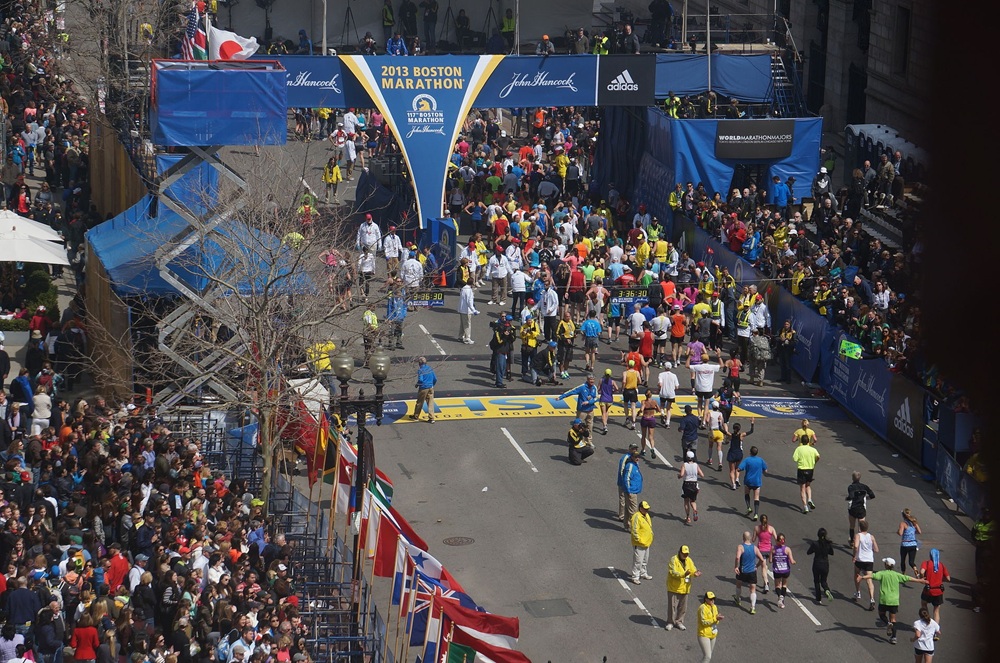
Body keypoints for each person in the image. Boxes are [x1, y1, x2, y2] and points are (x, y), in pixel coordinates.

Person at [862, 557, 927, 644]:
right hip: (894, 601)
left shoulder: (882, 573)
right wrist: (919, 580)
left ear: (886, 565)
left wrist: (862, 577)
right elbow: (907, 578)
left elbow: (872, 575)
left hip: (884, 600)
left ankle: (887, 623)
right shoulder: (897, 575)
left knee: (881, 614)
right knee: (893, 619)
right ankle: (894, 637)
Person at [666, 544, 701, 630]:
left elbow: (693, 570)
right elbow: (673, 572)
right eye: (683, 553)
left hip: (685, 587)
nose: (685, 555)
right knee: (672, 607)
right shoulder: (674, 560)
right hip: (674, 587)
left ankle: (679, 621)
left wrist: (695, 574)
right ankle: (670, 622)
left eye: (687, 554)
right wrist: (683, 574)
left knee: (683, 607)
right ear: (680, 552)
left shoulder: (689, 560)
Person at [557, 374, 598, 446]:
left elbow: (596, 398)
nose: (592, 381)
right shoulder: (582, 387)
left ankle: (589, 440)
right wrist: (561, 397)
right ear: (587, 380)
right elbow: (571, 392)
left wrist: (589, 402)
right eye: (590, 380)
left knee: (590, 426)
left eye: (593, 380)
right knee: (578, 426)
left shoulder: (594, 387)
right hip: (582, 411)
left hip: (590, 410)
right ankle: (575, 439)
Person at [733, 531, 765, 614]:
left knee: (738, 584)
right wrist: (756, 566)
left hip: (743, 570)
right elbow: (762, 559)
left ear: (743, 538)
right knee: (753, 589)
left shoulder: (741, 547)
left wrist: (736, 566)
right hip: (752, 572)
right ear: (750, 538)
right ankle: (753, 607)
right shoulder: (754, 548)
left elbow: (737, 557)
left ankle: (737, 598)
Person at [918, 548, 949, 633]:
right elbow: (948, 578)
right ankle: (935, 630)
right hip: (939, 590)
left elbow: (921, 571)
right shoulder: (941, 565)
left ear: (930, 555)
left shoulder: (926, 563)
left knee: (924, 604)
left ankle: (927, 622)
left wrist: (922, 578)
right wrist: (940, 580)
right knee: (936, 610)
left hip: (928, 590)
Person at [853, 519, 880, 610]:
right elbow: (876, 549)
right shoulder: (871, 537)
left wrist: (854, 555)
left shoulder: (858, 535)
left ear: (860, 528)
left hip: (860, 559)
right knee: (869, 580)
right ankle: (872, 599)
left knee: (857, 574)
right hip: (869, 560)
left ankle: (858, 592)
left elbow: (856, 546)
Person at [737, 445, 767, 521]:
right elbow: (765, 470)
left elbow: (739, 468)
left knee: (747, 494)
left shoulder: (747, 460)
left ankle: (748, 507)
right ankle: (756, 514)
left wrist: (738, 470)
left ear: (750, 452)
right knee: (756, 497)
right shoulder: (761, 460)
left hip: (748, 481)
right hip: (757, 482)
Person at [792, 434, 820, 513]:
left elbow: (795, 459)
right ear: (808, 441)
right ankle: (810, 499)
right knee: (808, 485)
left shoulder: (799, 449)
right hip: (810, 469)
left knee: (802, 488)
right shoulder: (813, 449)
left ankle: (805, 506)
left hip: (801, 469)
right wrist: (814, 462)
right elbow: (818, 456)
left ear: (801, 441)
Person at [846, 470, 876, 543]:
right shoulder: (864, 487)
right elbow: (872, 495)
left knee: (852, 526)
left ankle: (852, 541)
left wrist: (847, 498)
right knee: (861, 528)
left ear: (852, 478)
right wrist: (866, 498)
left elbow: (851, 496)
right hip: (861, 508)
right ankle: (860, 541)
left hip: (853, 508)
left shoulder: (851, 487)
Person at [807, 527, 835, 603]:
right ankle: (827, 590)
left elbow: (808, 552)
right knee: (823, 581)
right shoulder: (828, 544)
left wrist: (814, 549)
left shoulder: (815, 544)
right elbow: (832, 553)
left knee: (816, 581)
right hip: (825, 564)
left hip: (817, 564)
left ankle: (818, 598)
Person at [617, 444, 642, 528]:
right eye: (633, 449)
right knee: (632, 509)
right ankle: (633, 527)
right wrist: (626, 488)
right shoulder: (628, 462)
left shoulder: (634, 462)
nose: (637, 458)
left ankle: (626, 523)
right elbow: (624, 474)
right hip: (629, 488)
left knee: (628, 506)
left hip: (631, 488)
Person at [630, 500, 654, 584]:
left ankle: (643, 573)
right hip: (640, 544)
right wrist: (639, 540)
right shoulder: (637, 516)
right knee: (638, 561)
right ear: (640, 508)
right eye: (645, 509)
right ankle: (635, 576)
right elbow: (634, 530)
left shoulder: (646, 515)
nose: (647, 510)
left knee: (645, 560)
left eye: (647, 509)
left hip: (646, 543)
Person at [752, 514, 777, 594]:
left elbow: (753, 539)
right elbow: (776, 539)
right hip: (769, 550)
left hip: (761, 550)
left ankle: (766, 583)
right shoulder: (771, 528)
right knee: (764, 564)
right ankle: (756, 567)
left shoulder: (757, 528)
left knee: (763, 567)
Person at [727, 419, 754, 490]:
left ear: (733, 429)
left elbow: (721, 429)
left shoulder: (730, 435)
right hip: (739, 453)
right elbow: (751, 431)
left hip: (732, 453)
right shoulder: (741, 435)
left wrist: (719, 422)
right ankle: (737, 479)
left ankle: (733, 484)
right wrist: (752, 423)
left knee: (731, 470)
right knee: (737, 468)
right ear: (739, 429)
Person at [771, 533, 796, 609]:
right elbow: (792, 561)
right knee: (784, 584)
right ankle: (782, 598)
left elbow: (770, 560)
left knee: (777, 585)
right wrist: (794, 562)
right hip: (785, 570)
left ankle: (779, 597)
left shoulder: (773, 548)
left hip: (777, 570)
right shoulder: (787, 549)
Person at [678, 451, 704, 524]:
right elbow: (702, 475)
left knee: (686, 501)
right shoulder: (696, 465)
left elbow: (682, 474)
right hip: (694, 484)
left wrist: (678, 476)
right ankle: (695, 510)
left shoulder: (684, 465)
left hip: (686, 484)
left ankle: (688, 517)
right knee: (693, 501)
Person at [697, 591, 723, 662]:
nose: (712, 600)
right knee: (707, 656)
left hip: (713, 634)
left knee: (709, 656)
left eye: (713, 599)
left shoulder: (714, 607)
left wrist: (718, 619)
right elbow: (703, 622)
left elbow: (715, 621)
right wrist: (715, 619)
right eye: (710, 599)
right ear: (706, 599)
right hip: (704, 635)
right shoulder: (702, 608)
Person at [409, 357, 437, 423]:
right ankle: (431, 418)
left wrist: (417, 384)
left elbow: (420, 380)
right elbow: (435, 379)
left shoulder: (421, 370)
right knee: (430, 403)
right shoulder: (430, 369)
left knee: (420, 403)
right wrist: (432, 384)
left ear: (419, 363)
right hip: (430, 387)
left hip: (423, 388)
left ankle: (416, 416)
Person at [705, 399, 728, 471]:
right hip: (720, 432)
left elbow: (707, 420)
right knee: (719, 448)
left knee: (710, 446)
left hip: (712, 431)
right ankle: (720, 463)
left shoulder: (710, 413)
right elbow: (723, 422)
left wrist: (707, 423)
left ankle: (710, 459)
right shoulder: (720, 414)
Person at [898, 508, 923, 574]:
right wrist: (913, 532)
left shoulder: (903, 523)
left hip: (905, 545)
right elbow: (919, 532)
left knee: (903, 560)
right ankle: (916, 571)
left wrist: (898, 531)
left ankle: (903, 574)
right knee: (911, 562)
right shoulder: (914, 522)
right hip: (913, 544)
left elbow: (900, 533)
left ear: (903, 515)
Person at [638, 389, 661, 458]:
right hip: (652, 419)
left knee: (643, 436)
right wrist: (655, 409)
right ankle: (652, 448)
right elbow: (659, 410)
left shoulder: (644, 402)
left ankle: (643, 450)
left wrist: (639, 412)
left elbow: (642, 409)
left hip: (645, 419)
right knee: (651, 436)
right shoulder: (654, 402)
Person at [656, 361, 679, 428]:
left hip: (663, 393)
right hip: (671, 394)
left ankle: (662, 414)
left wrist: (658, 388)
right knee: (668, 409)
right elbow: (677, 386)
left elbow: (660, 384)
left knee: (662, 405)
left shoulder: (661, 374)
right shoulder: (674, 375)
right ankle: (667, 423)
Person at [622, 360, 642, 431]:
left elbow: (624, 381)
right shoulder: (637, 372)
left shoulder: (625, 373)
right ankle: (633, 422)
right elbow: (640, 381)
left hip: (627, 390)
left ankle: (627, 418)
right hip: (633, 390)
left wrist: (623, 388)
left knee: (625, 404)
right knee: (633, 407)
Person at [597, 369, 619, 434]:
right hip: (610, 399)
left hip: (603, 398)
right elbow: (617, 388)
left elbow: (598, 389)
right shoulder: (612, 382)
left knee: (603, 413)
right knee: (606, 411)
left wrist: (600, 391)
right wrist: (613, 391)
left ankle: (604, 426)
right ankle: (605, 423)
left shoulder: (601, 380)